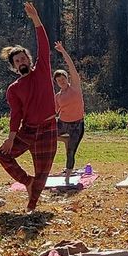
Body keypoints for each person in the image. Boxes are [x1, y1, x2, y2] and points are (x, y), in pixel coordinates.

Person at [0, 1, 57, 211]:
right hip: (28, 130)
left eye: (23, 58)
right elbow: (16, 113)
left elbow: (44, 46)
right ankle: (27, 182)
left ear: (29, 61)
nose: (21, 62)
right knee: (2, 155)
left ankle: (32, 204)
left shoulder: (42, 71)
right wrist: (11, 138)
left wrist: (36, 19)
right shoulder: (14, 89)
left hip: (48, 129)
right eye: (17, 61)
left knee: (43, 172)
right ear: (13, 67)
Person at [52, 38, 86, 177]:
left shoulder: (76, 87)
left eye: (63, 79)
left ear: (67, 78)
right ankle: (64, 139)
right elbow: (52, 113)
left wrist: (62, 51)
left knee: (70, 151)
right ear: (56, 82)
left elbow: (71, 66)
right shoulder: (57, 96)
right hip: (62, 123)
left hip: (77, 125)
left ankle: (68, 175)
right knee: (46, 135)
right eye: (59, 81)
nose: (62, 82)